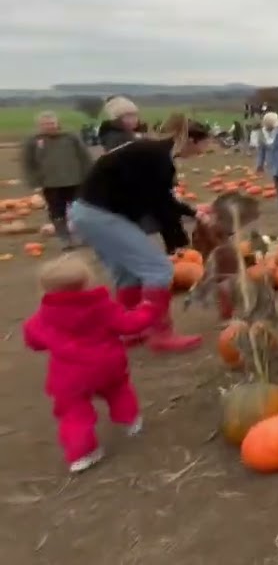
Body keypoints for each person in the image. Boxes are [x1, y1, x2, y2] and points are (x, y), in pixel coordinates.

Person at [69, 115, 214, 353]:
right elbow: (160, 202)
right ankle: (160, 333)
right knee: (159, 270)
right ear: (190, 141)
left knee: (128, 274)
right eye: (201, 146)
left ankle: (132, 328)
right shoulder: (157, 157)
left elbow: (156, 197)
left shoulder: (150, 151)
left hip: (88, 212)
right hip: (102, 215)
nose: (200, 153)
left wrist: (192, 212)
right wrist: (179, 238)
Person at [22, 254, 161, 473]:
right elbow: (127, 324)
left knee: (73, 410)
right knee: (118, 389)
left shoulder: (43, 316)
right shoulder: (101, 305)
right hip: (107, 365)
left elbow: (34, 340)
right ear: (87, 283)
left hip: (69, 375)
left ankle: (83, 453)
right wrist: (148, 310)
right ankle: (130, 419)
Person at [21, 112, 93, 249]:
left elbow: (84, 157)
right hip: (50, 183)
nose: (50, 127)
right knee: (57, 212)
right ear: (40, 126)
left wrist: (89, 175)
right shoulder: (34, 140)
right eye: (46, 124)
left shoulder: (71, 137)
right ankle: (65, 239)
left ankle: (82, 236)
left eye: (52, 123)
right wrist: (34, 182)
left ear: (57, 123)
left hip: (75, 180)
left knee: (79, 210)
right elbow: (28, 163)